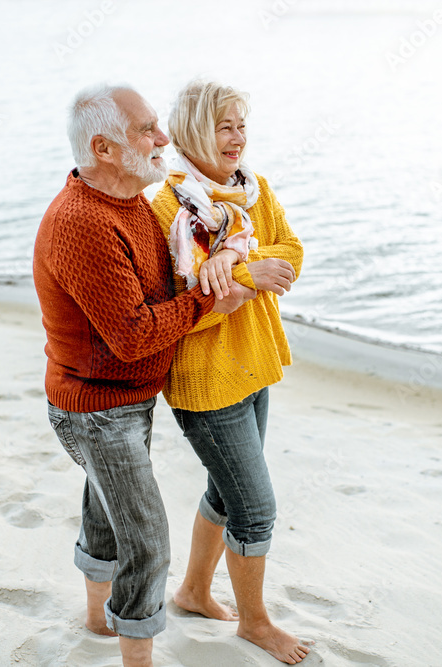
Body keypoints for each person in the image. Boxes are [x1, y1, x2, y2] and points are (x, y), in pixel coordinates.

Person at [32, 83, 252, 667]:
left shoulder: (130, 202)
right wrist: (212, 305)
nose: (164, 139)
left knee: (108, 510)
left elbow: (167, 287)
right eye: (146, 130)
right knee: (147, 537)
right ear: (104, 148)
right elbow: (131, 337)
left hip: (123, 399)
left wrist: (227, 251)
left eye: (159, 125)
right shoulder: (82, 223)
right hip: (96, 408)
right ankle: (137, 659)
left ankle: (94, 619)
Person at [150, 80, 311, 664]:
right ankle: (256, 623)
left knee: (227, 489)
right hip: (205, 381)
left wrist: (248, 265)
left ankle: (193, 592)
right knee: (256, 506)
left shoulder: (253, 190)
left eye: (242, 125)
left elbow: (290, 250)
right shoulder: (166, 208)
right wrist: (248, 277)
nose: (238, 138)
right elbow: (179, 311)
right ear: (194, 130)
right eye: (225, 127)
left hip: (253, 363)